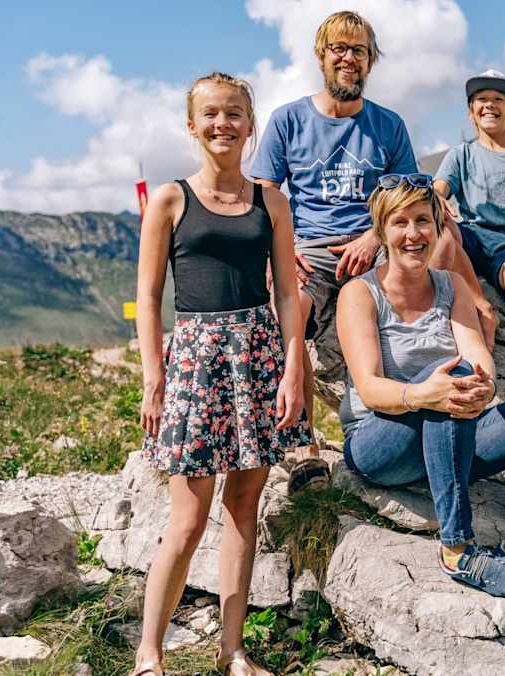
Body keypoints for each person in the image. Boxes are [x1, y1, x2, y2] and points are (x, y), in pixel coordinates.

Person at [251, 11, 489, 492]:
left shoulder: (387, 124)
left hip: (377, 243)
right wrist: (281, 250)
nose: (348, 59)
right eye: (338, 49)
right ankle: (302, 447)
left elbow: (409, 197)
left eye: (358, 51)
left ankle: (443, 393)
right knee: (285, 313)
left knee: (437, 248)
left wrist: (373, 237)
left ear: (370, 61)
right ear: (321, 56)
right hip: (312, 248)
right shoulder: (288, 120)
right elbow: (264, 194)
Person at [337, 174, 505, 618]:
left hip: (453, 437)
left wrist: (483, 384)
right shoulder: (360, 293)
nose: (413, 234)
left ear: (438, 226)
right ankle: (457, 549)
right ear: (381, 231)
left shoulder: (452, 286)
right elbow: (371, 388)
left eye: (423, 220)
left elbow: (479, 359)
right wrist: (425, 392)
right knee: (448, 381)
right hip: (380, 444)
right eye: (400, 223)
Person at [133, 72, 310, 676]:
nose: (222, 124)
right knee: (187, 519)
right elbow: (148, 296)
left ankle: (233, 649)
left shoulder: (271, 202)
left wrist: (293, 368)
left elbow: (286, 294)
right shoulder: (169, 200)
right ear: (192, 125)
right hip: (195, 362)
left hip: (258, 357)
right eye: (210, 114)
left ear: (250, 124)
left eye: (234, 113)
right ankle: (149, 654)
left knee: (243, 505)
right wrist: (153, 378)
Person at [434, 70, 505, 398]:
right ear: (471, 112)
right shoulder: (461, 154)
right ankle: (480, 308)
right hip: (470, 235)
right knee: (440, 234)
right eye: (481, 100)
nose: (490, 105)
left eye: (499, 99)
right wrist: (438, 199)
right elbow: (438, 190)